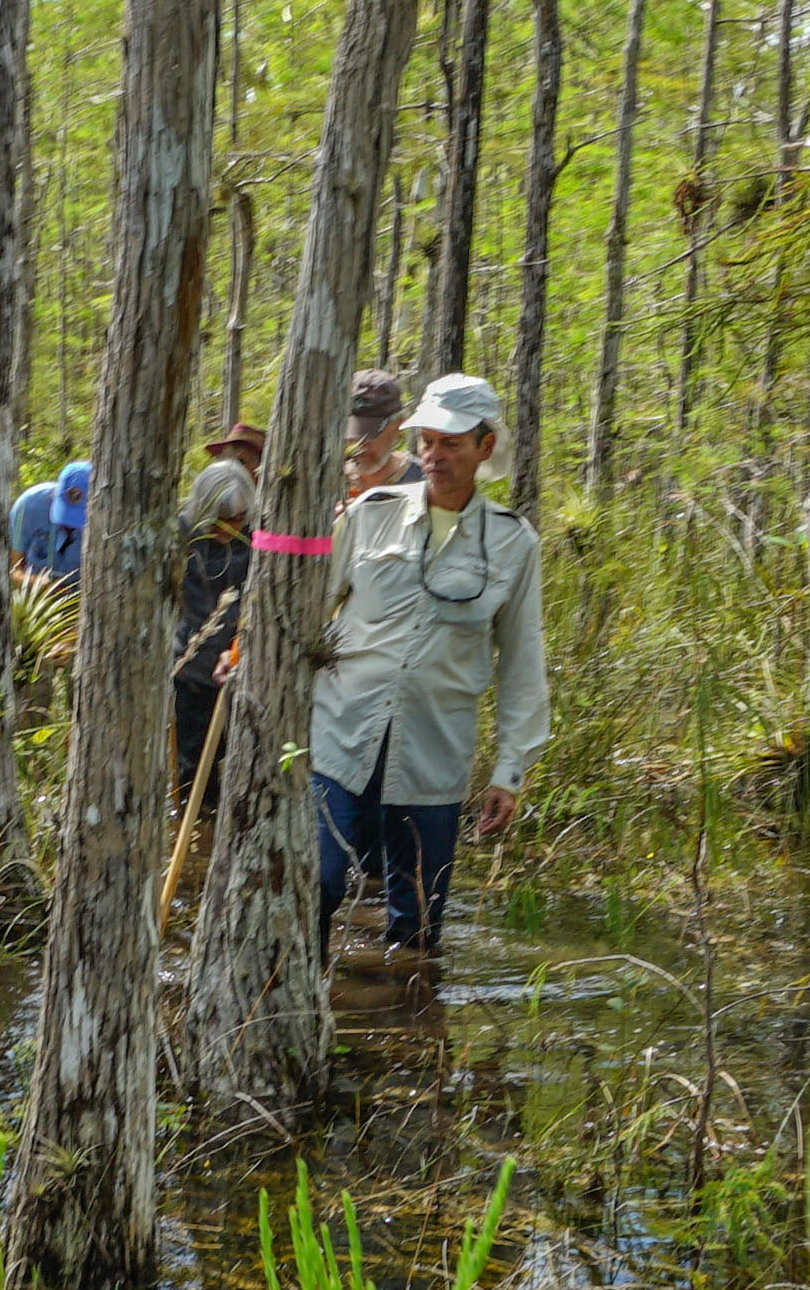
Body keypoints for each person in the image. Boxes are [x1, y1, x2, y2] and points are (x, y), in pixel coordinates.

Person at [306, 373, 549, 961]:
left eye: (451, 444)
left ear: (485, 447)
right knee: (318, 881)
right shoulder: (370, 514)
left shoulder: (514, 543)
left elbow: (523, 661)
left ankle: (407, 1038)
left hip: (434, 752)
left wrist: (509, 771)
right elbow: (311, 613)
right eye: (426, 443)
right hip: (341, 735)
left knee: (416, 917)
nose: (434, 456)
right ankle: (296, 1017)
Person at [171, 417, 264, 790]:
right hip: (189, 673)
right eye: (221, 521)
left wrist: (240, 649)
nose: (229, 529)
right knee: (193, 779)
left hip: (242, 671)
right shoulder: (181, 535)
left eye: (238, 520)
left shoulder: (257, 537)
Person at [8, 456, 92, 583]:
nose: (69, 525)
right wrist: (36, 583)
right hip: (36, 597)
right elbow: (15, 570)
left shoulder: (106, 518)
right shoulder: (28, 506)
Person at [340, 367, 414, 503]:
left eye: (369, 432)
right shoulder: (324, 482)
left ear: (399, 425)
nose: (358, 444)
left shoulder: (424, 481)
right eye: (351, 432)